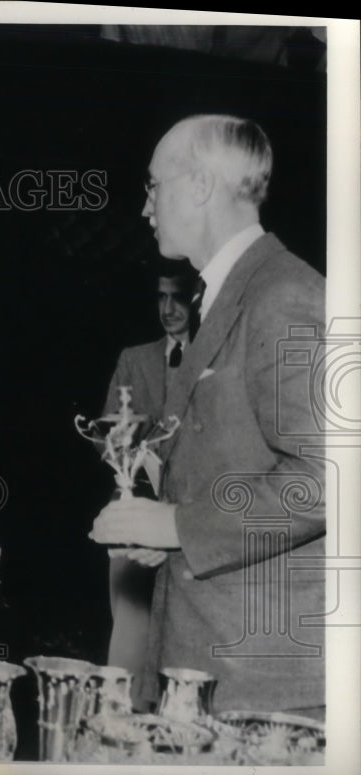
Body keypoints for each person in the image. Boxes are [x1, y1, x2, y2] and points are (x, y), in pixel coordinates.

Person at [90, 115, 325, 716]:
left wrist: (178, 527)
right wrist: (166, 532)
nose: (146, 206)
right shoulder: (226, 293)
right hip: (209, 661)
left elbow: (327, 482)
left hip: (263, 681)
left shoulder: (283, 294)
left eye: (153, 185)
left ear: (197, 186)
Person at [102, 261, 198, 703]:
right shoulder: (133, 359)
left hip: (192, 524)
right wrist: (125, 448)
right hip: (137, 516)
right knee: (129, 638)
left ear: (197, 299)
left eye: (177, 297)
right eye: (161, 297)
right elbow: (107, 441)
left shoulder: (214, 359)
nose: (168, 308)